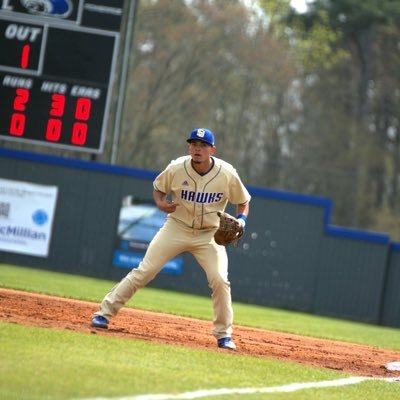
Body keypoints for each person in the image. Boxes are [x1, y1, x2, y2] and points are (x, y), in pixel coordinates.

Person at [91, 128, 251, 350]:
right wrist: (159, 202)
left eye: (203, 145)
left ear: (212, 150)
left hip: (208, 234)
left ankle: (224, 335)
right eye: (194, 143)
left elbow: (243, 201)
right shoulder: (176, 167)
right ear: (189, 147)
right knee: (145, 270)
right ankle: (104, 314)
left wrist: (241, 221)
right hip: (176, 227)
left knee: (220, 281)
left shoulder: (227, 173)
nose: (198, 148)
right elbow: (158, 188)